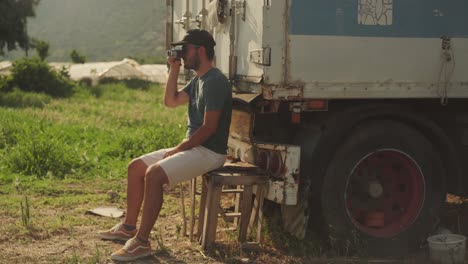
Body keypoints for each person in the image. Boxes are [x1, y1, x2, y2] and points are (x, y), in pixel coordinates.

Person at [97, 29, 232, 262]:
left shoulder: (215, 81)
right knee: (136, 166)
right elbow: (170, 102)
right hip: (195, 147)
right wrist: (174, 69)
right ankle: (128, 227)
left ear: (200, 50)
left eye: (185, 50)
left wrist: (179, 149)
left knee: (155, 174)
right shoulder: (198, 80)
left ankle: (141, 242)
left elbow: (209, 129)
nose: (183, 55)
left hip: (210, 151)